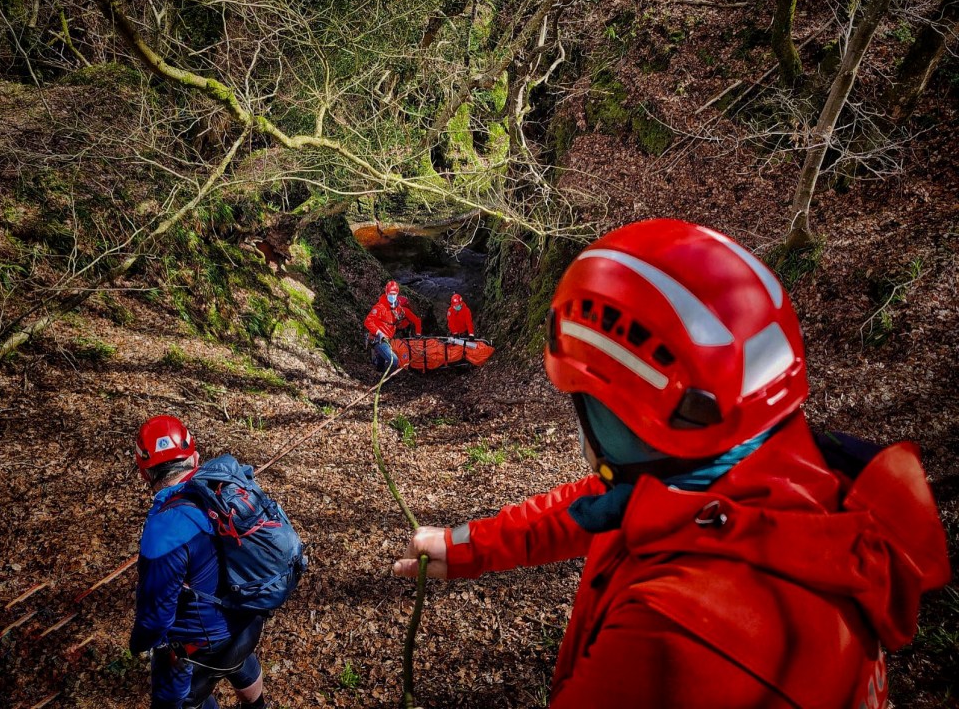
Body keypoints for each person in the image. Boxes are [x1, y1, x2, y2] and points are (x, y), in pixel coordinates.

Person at [393, 219, 950, 708]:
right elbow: (596, 507)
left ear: (626, 421)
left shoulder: (675, 641)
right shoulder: (794, 481)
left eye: (584, 404)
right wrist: (466, 545)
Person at [131, 415, 269, 709]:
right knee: (237, 658)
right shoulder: (227, 489)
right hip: (247, 622)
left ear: (145, 473)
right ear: (194, 459)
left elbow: (155, 620)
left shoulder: (164, 533)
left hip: (200, 647)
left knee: (173, 698)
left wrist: (138, 643)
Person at [364, 280, 421, 373]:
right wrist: (378, 332)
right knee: (394, 361)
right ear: (386, 293)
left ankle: (380, 372)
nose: (392, 296)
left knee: (381, 363)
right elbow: (368, 321)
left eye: (394, 294)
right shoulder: (380, 307)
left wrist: (417, 334)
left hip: (387, 338)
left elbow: (415, 320)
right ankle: (386, 380)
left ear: (397, 294)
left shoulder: (398, 308)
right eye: (390, 294)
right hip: (378, 339)